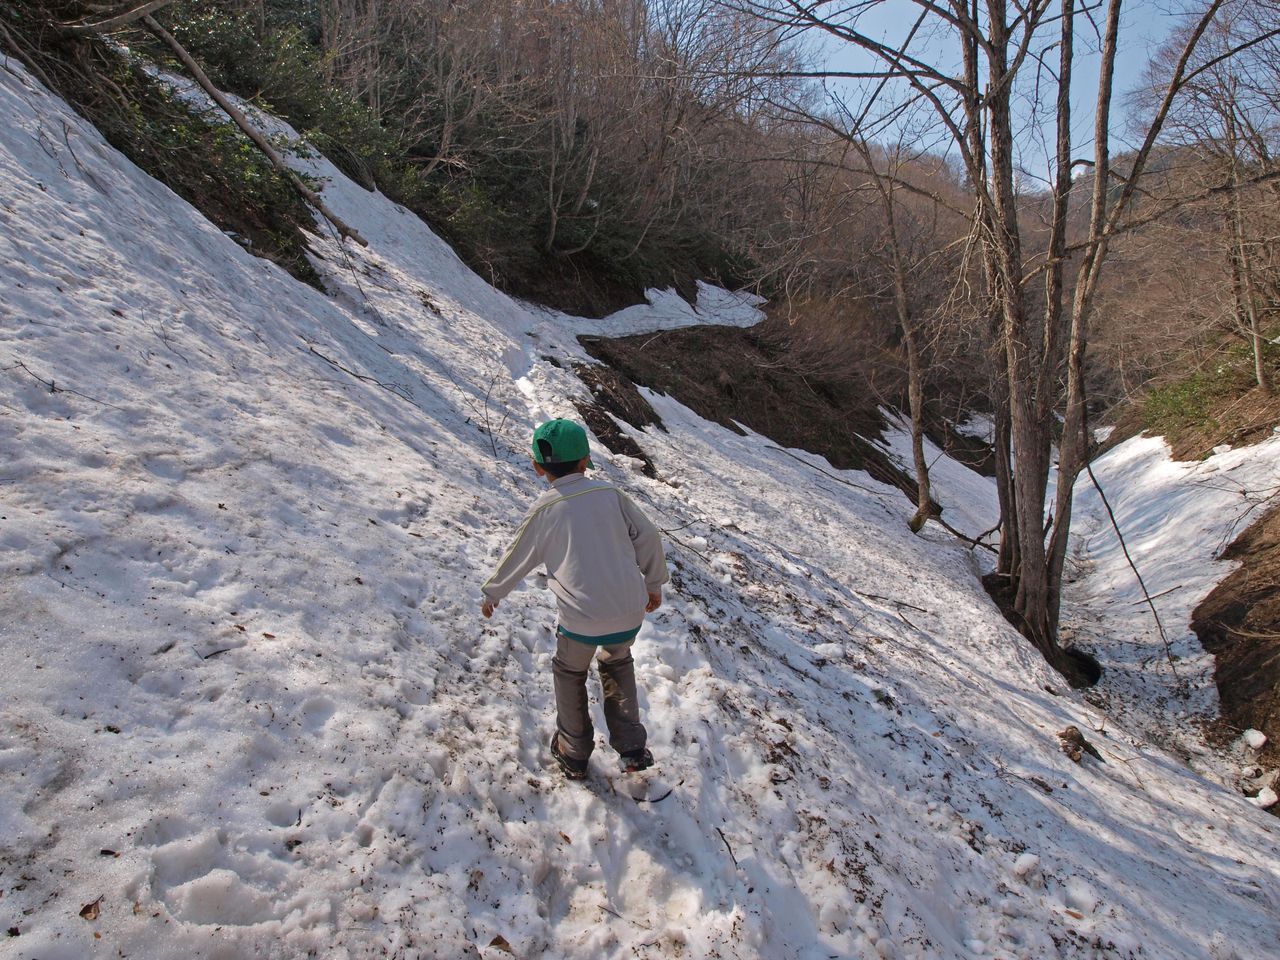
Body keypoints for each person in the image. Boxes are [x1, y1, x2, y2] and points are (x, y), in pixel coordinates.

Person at [481, 418, 667, 779]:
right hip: (628, 611)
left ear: (537, 468)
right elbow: (648, 537)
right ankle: (631, 747)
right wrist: (654, 583)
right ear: (585, 462)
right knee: (617, 662)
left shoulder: (544, 510)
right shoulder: (611, 496)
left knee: (569, 671)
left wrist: (494, 591)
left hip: (580, 621)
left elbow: (517, 555)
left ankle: (574, 750)